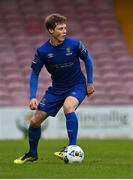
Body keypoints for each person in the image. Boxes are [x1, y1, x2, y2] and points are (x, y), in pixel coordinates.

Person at [14, 13, 95, 164]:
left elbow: (88, 60)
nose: (65, 31)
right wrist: (32, 96)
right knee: (34, 122)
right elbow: (34, 73)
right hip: (56, 89)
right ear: (51, 30)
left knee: (68, 106)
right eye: (61, 28)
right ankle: (32, 154)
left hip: (77, 85)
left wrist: (89, 82)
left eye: (65, 28)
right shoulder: (43, 51)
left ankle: (72, 148)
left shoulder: (75, 44)